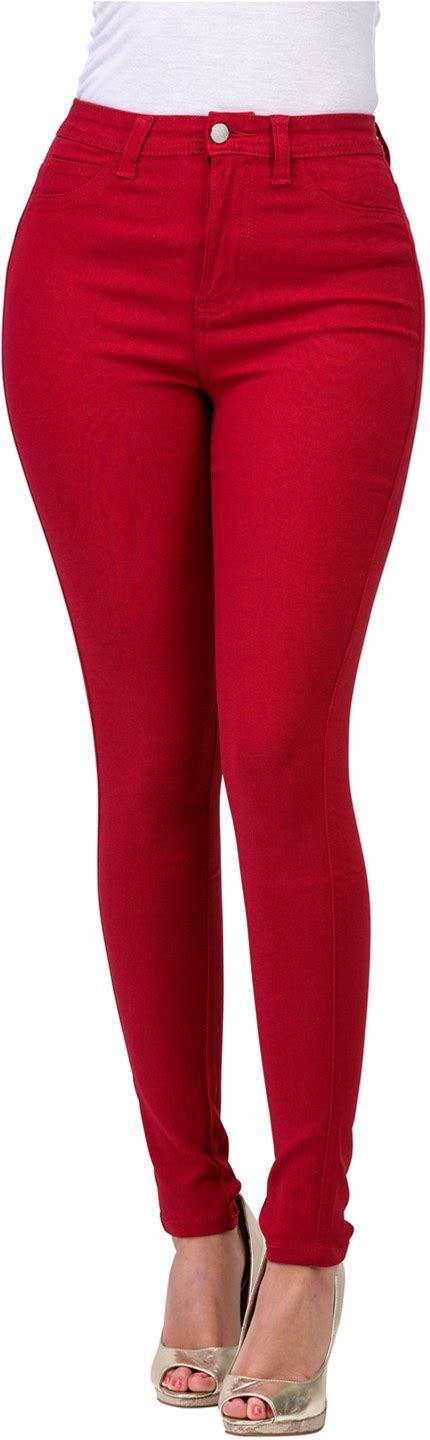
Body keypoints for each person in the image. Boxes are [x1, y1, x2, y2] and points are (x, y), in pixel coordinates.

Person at [2, 3, 424, 1432]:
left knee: (281, 750)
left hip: (328, 249)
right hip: (97, 226)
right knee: (149, 763)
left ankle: (306, 1242)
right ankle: (197, 1220)